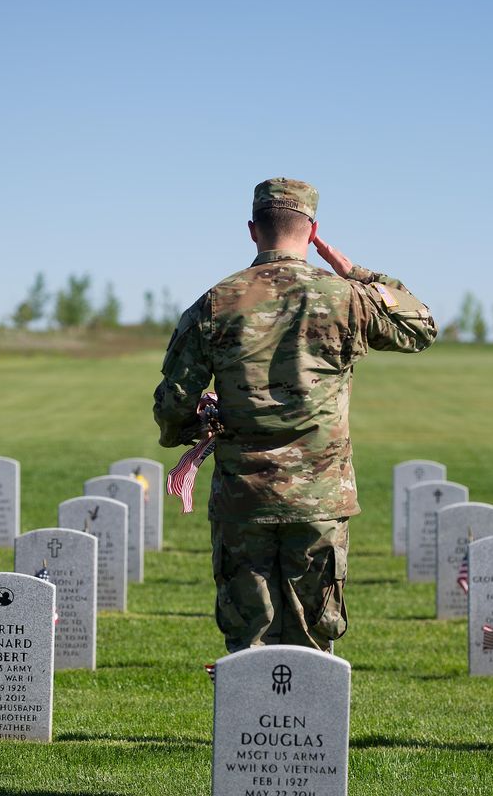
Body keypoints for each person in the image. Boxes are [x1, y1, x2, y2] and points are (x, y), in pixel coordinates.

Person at [153, 177, 437, 653]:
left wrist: (188, 429)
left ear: (252, 230)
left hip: (244, 497)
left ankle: (250, 727)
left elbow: (174, 398)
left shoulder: (217, 302)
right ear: (312, 231)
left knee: (249, 639)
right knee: (314, 638)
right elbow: (421, 326)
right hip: (321, 496)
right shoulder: (346, 296)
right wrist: (356, 271)